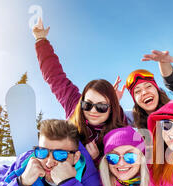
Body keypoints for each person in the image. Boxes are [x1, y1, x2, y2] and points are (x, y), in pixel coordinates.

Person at [32, 17, 127, 165]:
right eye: (88, 105)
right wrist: (41, 40)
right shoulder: (74, 103)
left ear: (111, 108)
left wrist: (97, 160)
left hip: (91, 178)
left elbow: (124, 161)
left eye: (101, 107)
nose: (93, 111)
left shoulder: (118, 124)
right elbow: (54, 76)